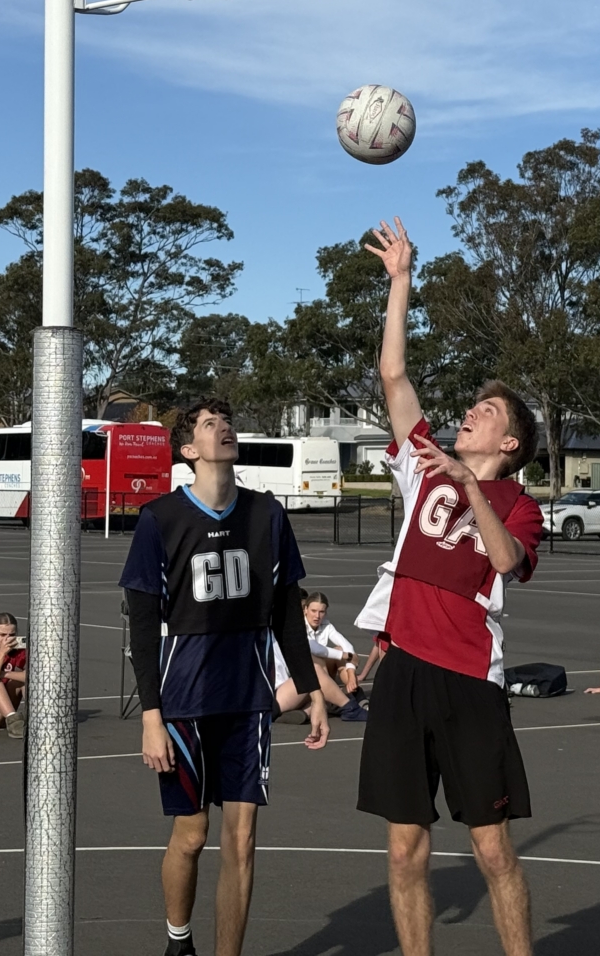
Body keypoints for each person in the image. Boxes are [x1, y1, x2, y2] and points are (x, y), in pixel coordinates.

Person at [355, 218, 545, 956]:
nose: (471, 413)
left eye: (487, 413)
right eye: (473, 407)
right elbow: (394, 377)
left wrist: (471, 486)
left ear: (510, 444)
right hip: (405, 670)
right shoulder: (424, 463)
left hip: (469, 679)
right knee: (406, 849)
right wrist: (402, 281)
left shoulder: (520, 504)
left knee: (492, 849)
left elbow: (504, 563)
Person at [121, 396, 327, 956]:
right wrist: (151, 717)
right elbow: (143, 628)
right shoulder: (159, 520)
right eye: (211, 425)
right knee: (192, 837)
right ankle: (178, 940)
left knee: (242, 841)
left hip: (246, 700)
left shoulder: (267, 515)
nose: (225, 429)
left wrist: (309, 689)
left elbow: (287, 607)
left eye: (227, 422)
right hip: (183, 703)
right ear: (189, 450)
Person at [303, 592, 369, 722]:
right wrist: (345, 655)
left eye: (321, 612)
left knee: (340, 650)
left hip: (322, 675)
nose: (317, 616)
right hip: (303, 676)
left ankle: (353, 690)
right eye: (313, 611)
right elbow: (314, 648)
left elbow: (347, 646)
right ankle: (337, 701)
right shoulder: (300, 626)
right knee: (317, 657)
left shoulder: (326, 626)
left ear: (326, 612)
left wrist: (351, 673)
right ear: (305, 609)